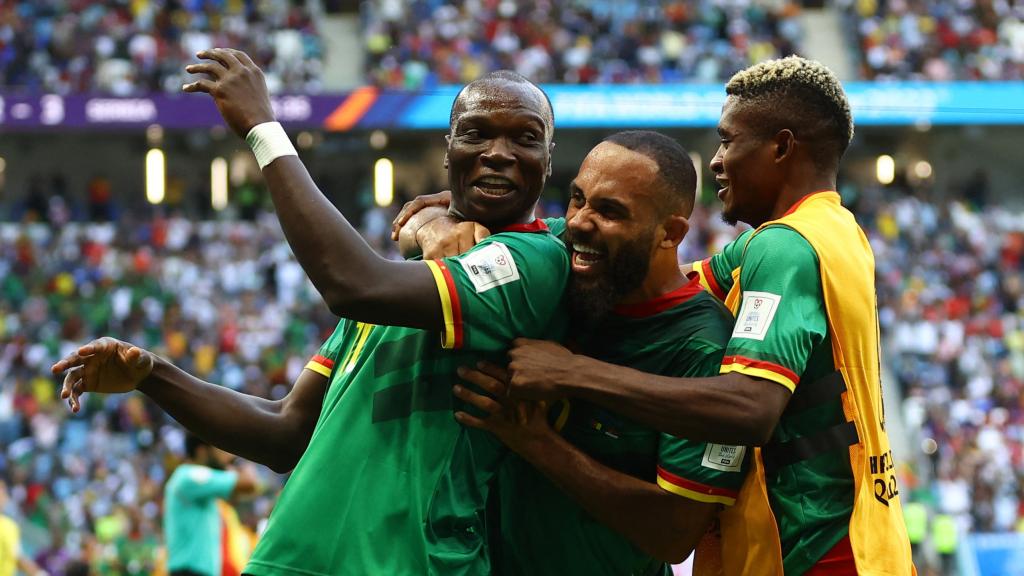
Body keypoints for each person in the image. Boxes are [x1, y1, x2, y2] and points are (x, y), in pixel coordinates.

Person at [52, 51, 568, 575]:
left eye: (524, 138)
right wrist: (152, 375)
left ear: (549, 159)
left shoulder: (535, 260)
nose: (497, 153)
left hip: (402, 565)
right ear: (449, 152)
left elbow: (352, 283)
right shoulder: (404, 286)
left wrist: (264, 131)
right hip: (287, 563)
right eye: (476, 134)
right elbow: (285, 430)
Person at [417, 56, 915, 575]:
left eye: (728, 140)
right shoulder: (833, 232)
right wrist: (448, 219)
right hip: (864, 538)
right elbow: (655, 270)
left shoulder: (783, 247)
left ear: (781, 147)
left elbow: (752, 407)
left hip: (814, 548)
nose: (717, 161)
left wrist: (572, 375)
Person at [395, 131, 748, 575]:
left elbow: (675, 533)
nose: (579, 221)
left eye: (610, 211)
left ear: (670, 233)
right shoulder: (566, 257)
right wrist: (437, 224)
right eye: (578, 198)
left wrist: (535, 441)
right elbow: (436, 214)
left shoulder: (701, 346)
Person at [163, 433, 258, 576]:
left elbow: (238, 496)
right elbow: (249, 483)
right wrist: (237, 459)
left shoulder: (196, 485)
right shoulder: (190, 476)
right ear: (202, 451)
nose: (223, 454)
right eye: (218, 448)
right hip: (189, 572)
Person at [0, 480, 47, 576]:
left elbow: (16, 558)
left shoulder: (9, 525)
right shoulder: (7, 527)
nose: (4, 498)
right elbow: (19, 559)